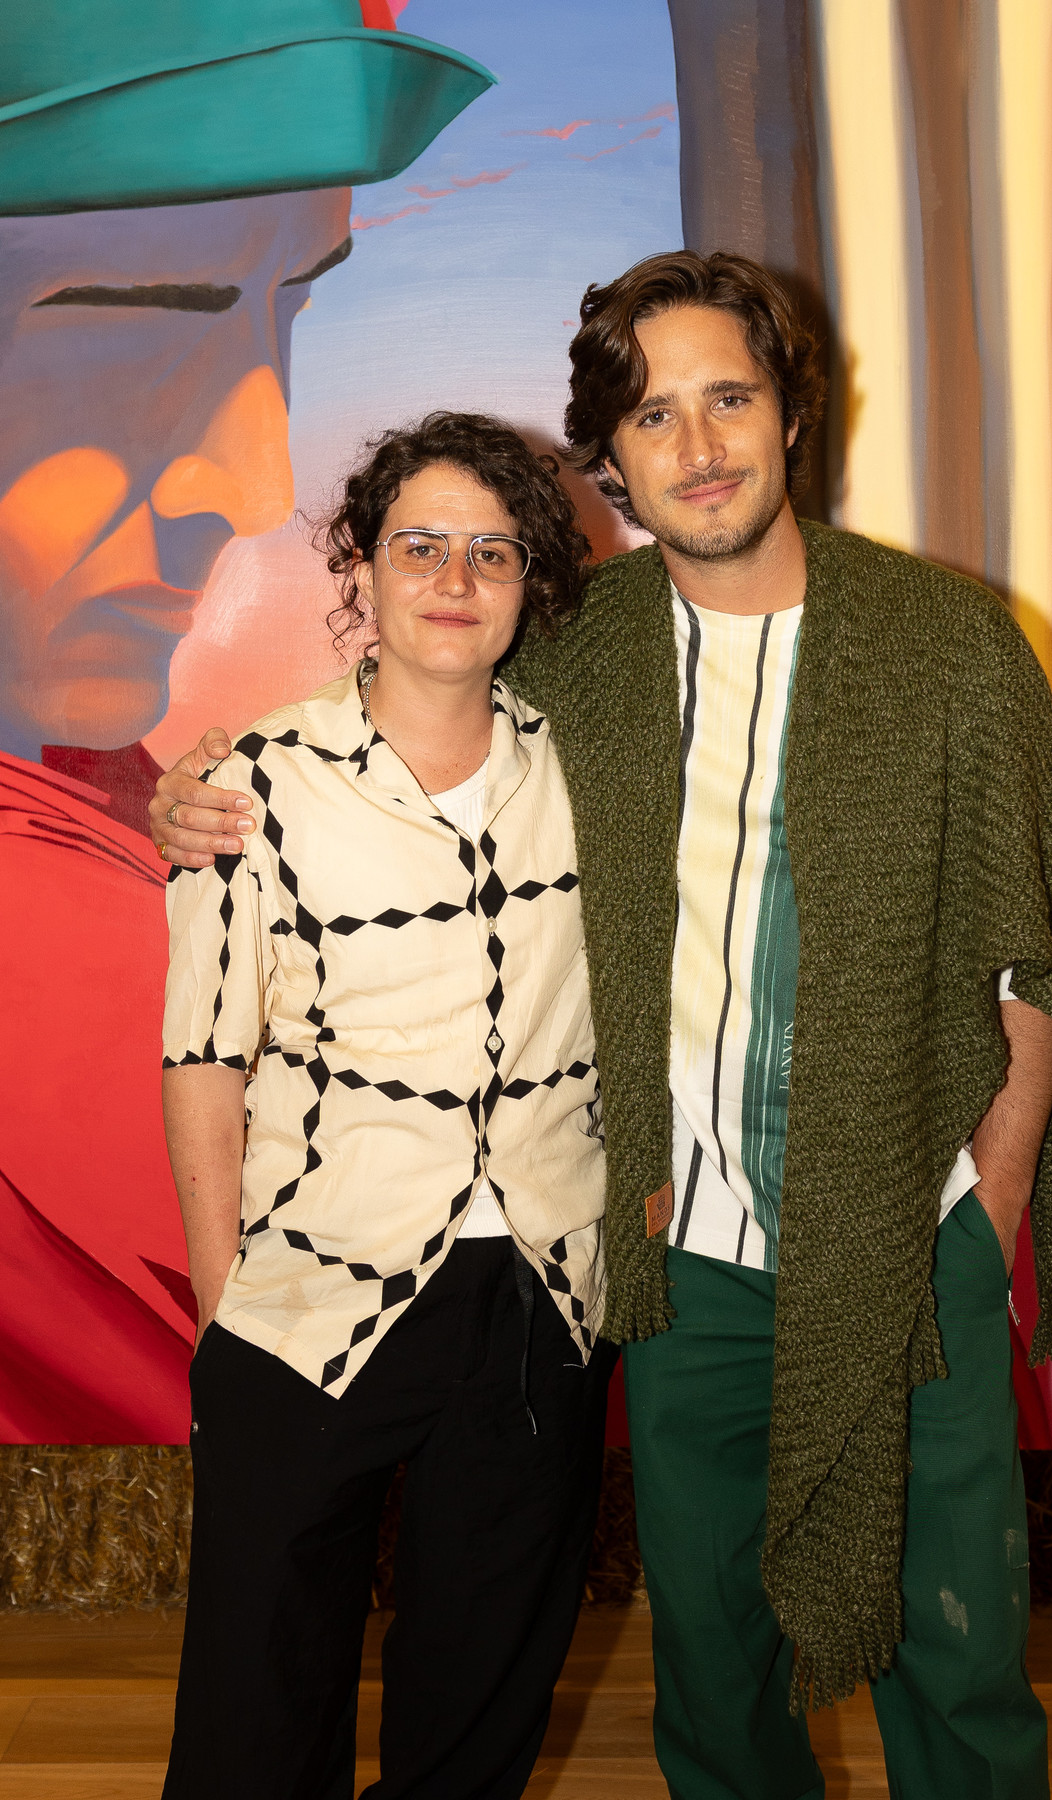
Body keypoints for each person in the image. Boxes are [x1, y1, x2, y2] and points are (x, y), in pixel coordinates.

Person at [154, 252, 1052, 1800]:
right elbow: (403, 710)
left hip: (914, 1244)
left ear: (792, 413)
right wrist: (203, 785)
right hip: (679, 1263)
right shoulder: (582, 657)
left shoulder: (951, 649)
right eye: (648, 416)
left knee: (960, 1674)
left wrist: (991, 1202)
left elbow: (1040, 962)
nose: (695, 446)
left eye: (727, 399)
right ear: (609, 465)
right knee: (714, 1678)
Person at [0, 0, 490, 1438]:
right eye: (135, 320)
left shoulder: (109, 789)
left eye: (298, 302)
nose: (252, 479)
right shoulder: (54, 923)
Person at [161, 412, 613, 1799]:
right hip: (309, 1284)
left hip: (540, 1287)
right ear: (362, 563)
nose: (455, 578)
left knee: (479, 1694)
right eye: (421, 545)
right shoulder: (252, 787)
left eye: (493, 550)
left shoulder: (595, 777)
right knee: (257, 1686)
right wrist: (221, 1288)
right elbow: (202, 1056)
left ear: (535, 579)